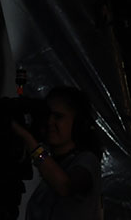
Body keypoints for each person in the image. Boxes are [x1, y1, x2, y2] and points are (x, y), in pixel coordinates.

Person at [12, 87, 103, 220]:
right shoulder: (50, 170)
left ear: (78, 123)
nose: (50, 122)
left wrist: (29, 141)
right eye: (47, 115)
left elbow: (66, 186)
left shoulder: (87, 160)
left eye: (58, 117)